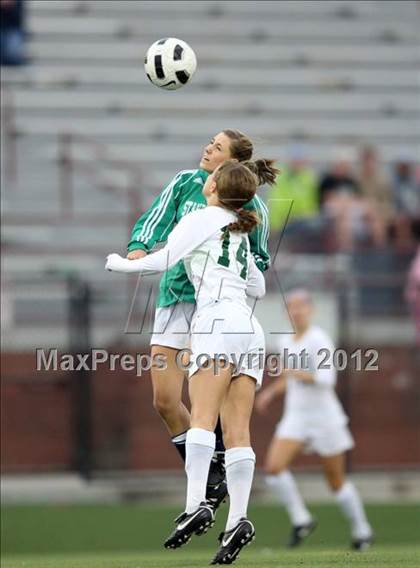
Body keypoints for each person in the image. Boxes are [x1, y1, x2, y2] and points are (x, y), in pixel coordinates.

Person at [107, 159, 274, 565]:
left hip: (216, 321)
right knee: (238, 433)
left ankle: (195, 504)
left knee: (201, 418)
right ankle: (238, 520)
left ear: (216, 186)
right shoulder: (239, 228)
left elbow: (159, 262)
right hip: (251, 328)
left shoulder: (202, 217)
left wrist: (118, 262)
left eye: (213, 175)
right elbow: (260, 286)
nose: (207, 176)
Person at [255, 289, 373, 551]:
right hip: (296, 416)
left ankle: (362, 530)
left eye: (301, 307)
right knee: (274, 468)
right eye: (292, 307)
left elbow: (326, 380)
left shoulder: (319, 340)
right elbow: (288, 378)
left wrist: (293, 372)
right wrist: (271, 392)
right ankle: (301, 518)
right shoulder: (285, 341)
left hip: (325, 418)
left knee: (336, 482)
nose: (296, 312)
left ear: (311, 310)